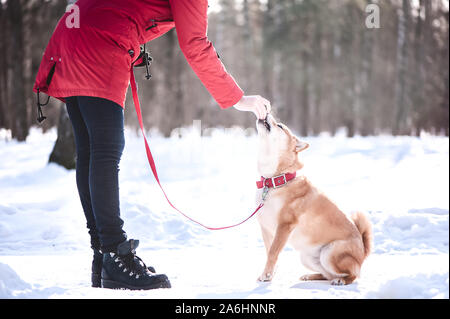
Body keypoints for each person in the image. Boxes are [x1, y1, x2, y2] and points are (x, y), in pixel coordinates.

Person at [33, 0, 271, 290]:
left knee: (91, 151)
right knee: (106, 151)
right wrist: (237, 98)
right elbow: (195, 43)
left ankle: (104, 255)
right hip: (99, 41)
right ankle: (114, 253)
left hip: (71, 34)